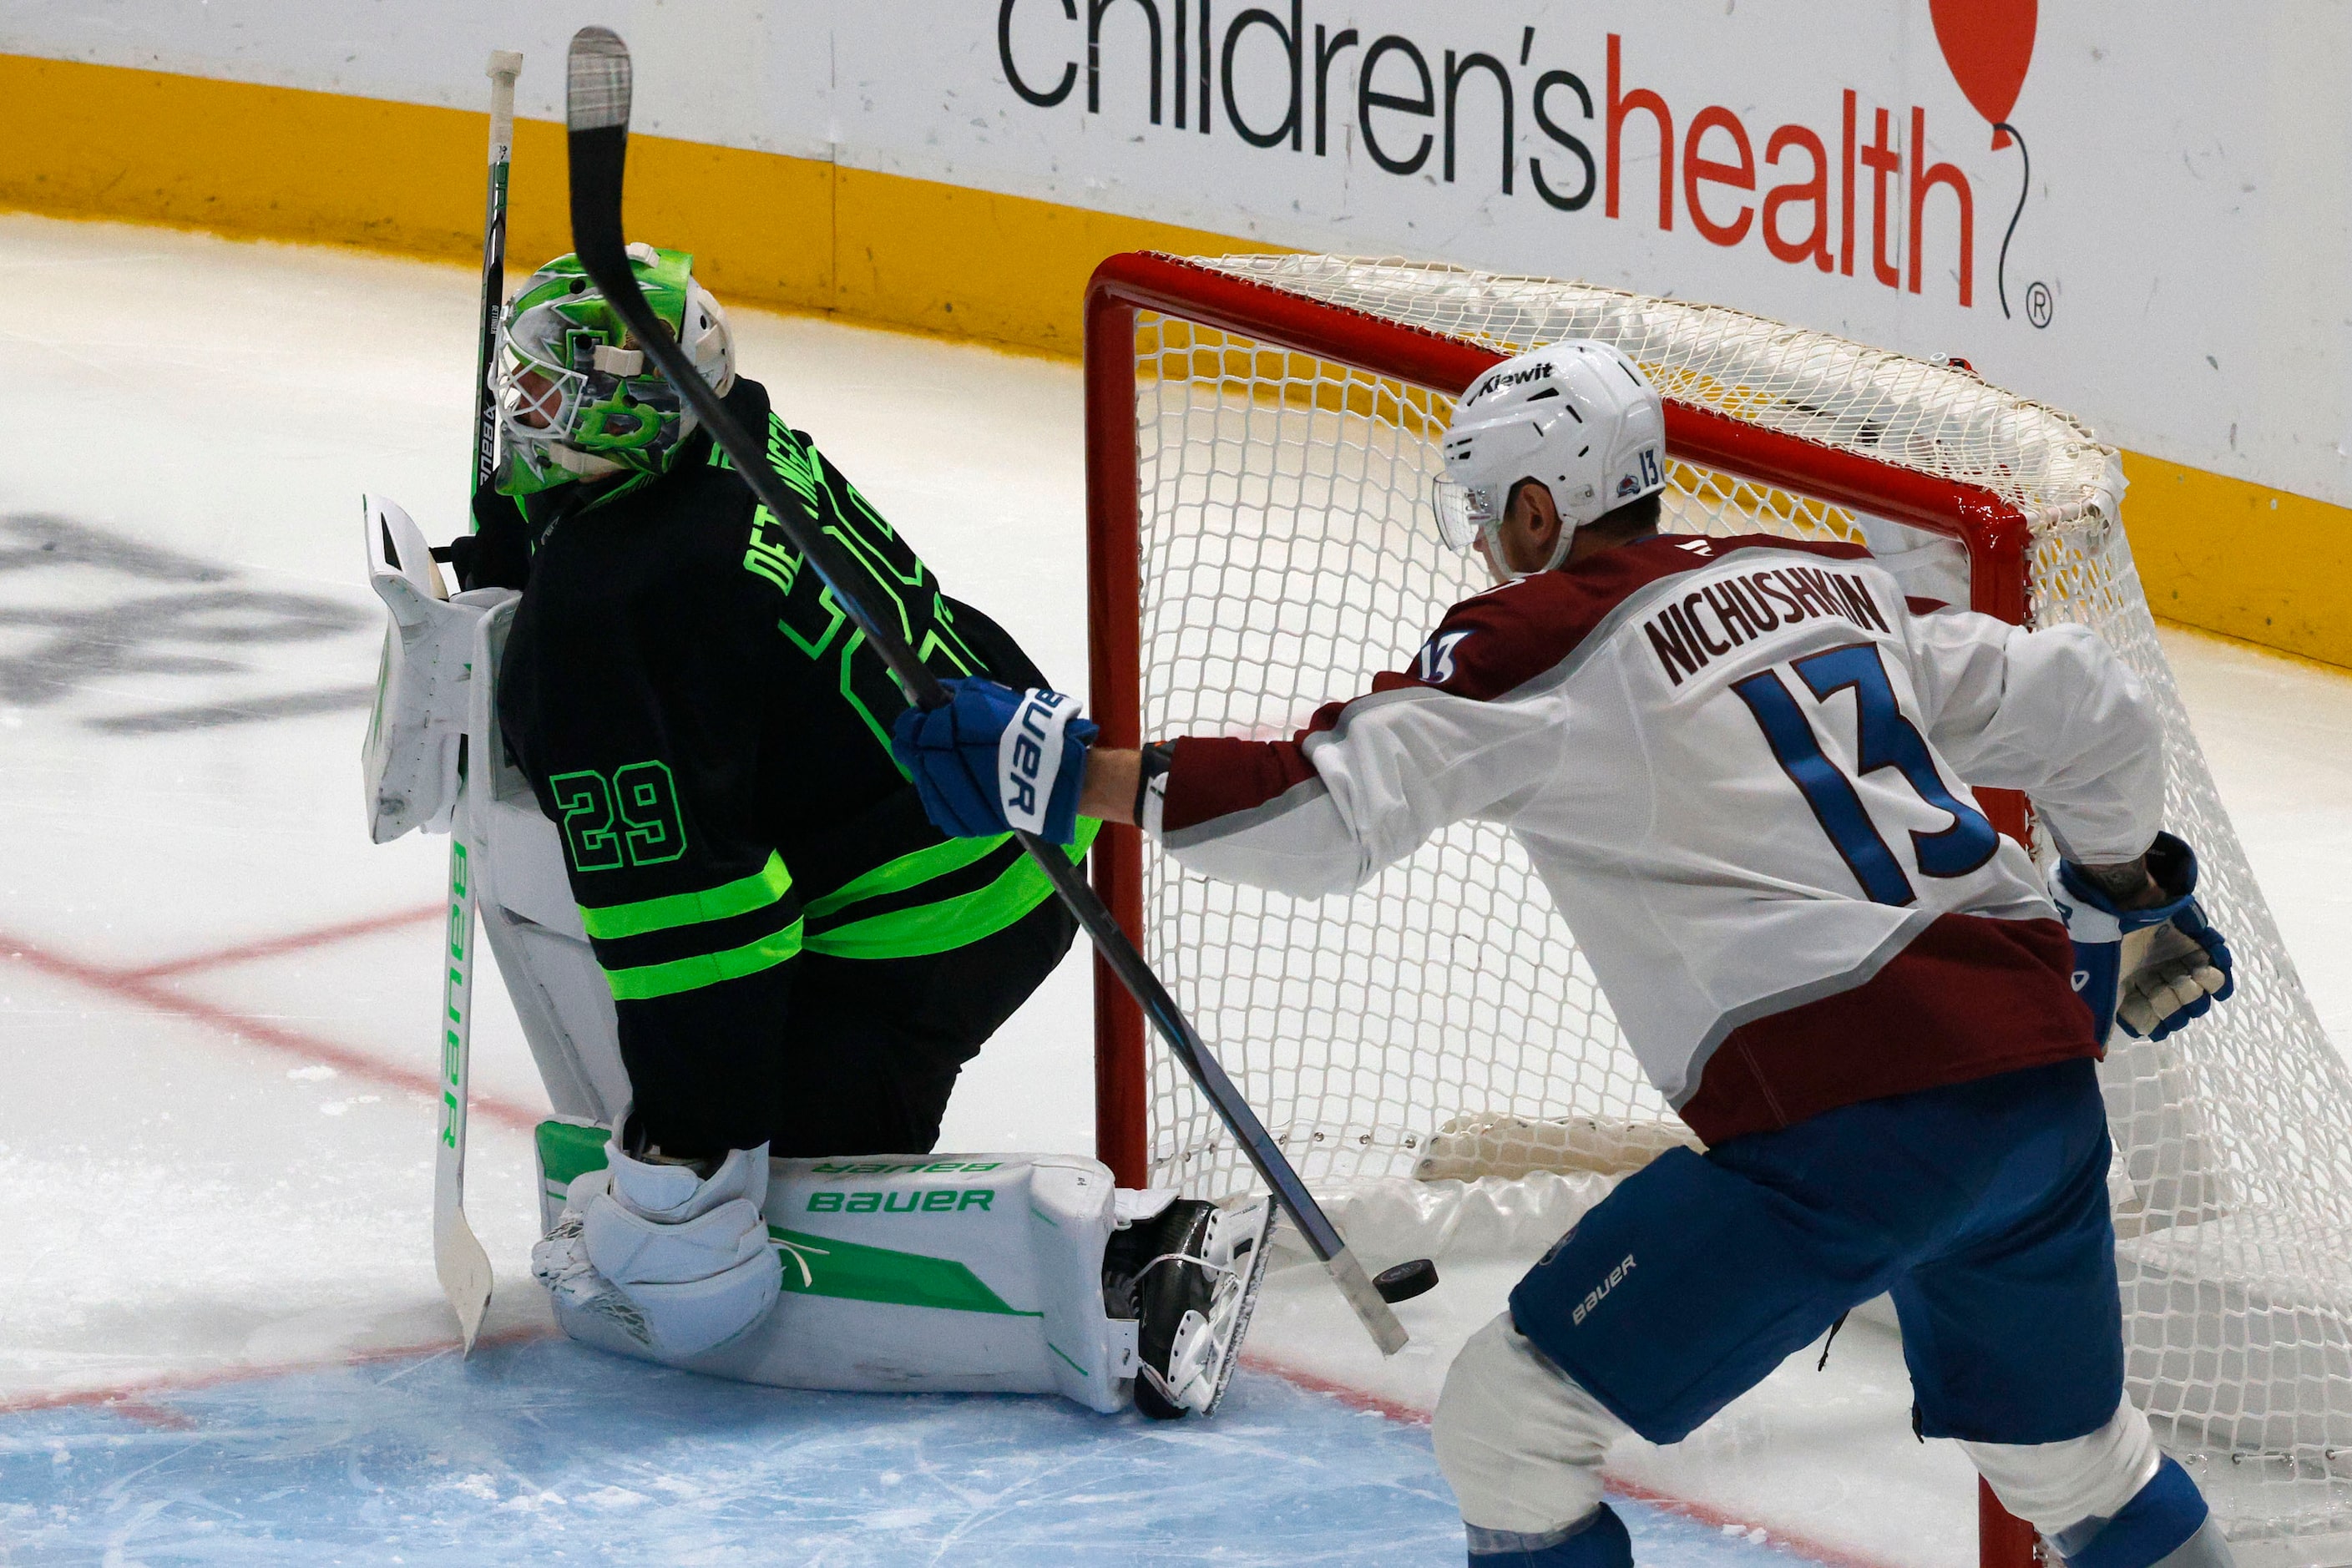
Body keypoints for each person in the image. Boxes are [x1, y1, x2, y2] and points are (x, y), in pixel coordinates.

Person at [891, 340, 2238, 1565]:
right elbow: (2091, 704)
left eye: (1491, 513)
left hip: (1850, 1127)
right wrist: (2117, 894)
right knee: (2079, 1467)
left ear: (1539, 507)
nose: (1485, 546)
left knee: (1507, 1425)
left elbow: (1322, 808)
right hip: (2037, 1097)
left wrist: (1068, 774)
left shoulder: (1536, 636)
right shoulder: (1824, 577)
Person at [405, 243, 1265, 1417]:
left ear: (625, 408)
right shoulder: (729, 437)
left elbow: (702, 922)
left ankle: (1130, 1277)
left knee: (740, 1228)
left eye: (549, 394)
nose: (524, 416)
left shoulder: (613, 612)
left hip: (926, 919)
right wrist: (521, 540)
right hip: (1002, 816)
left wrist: (690, 1164)